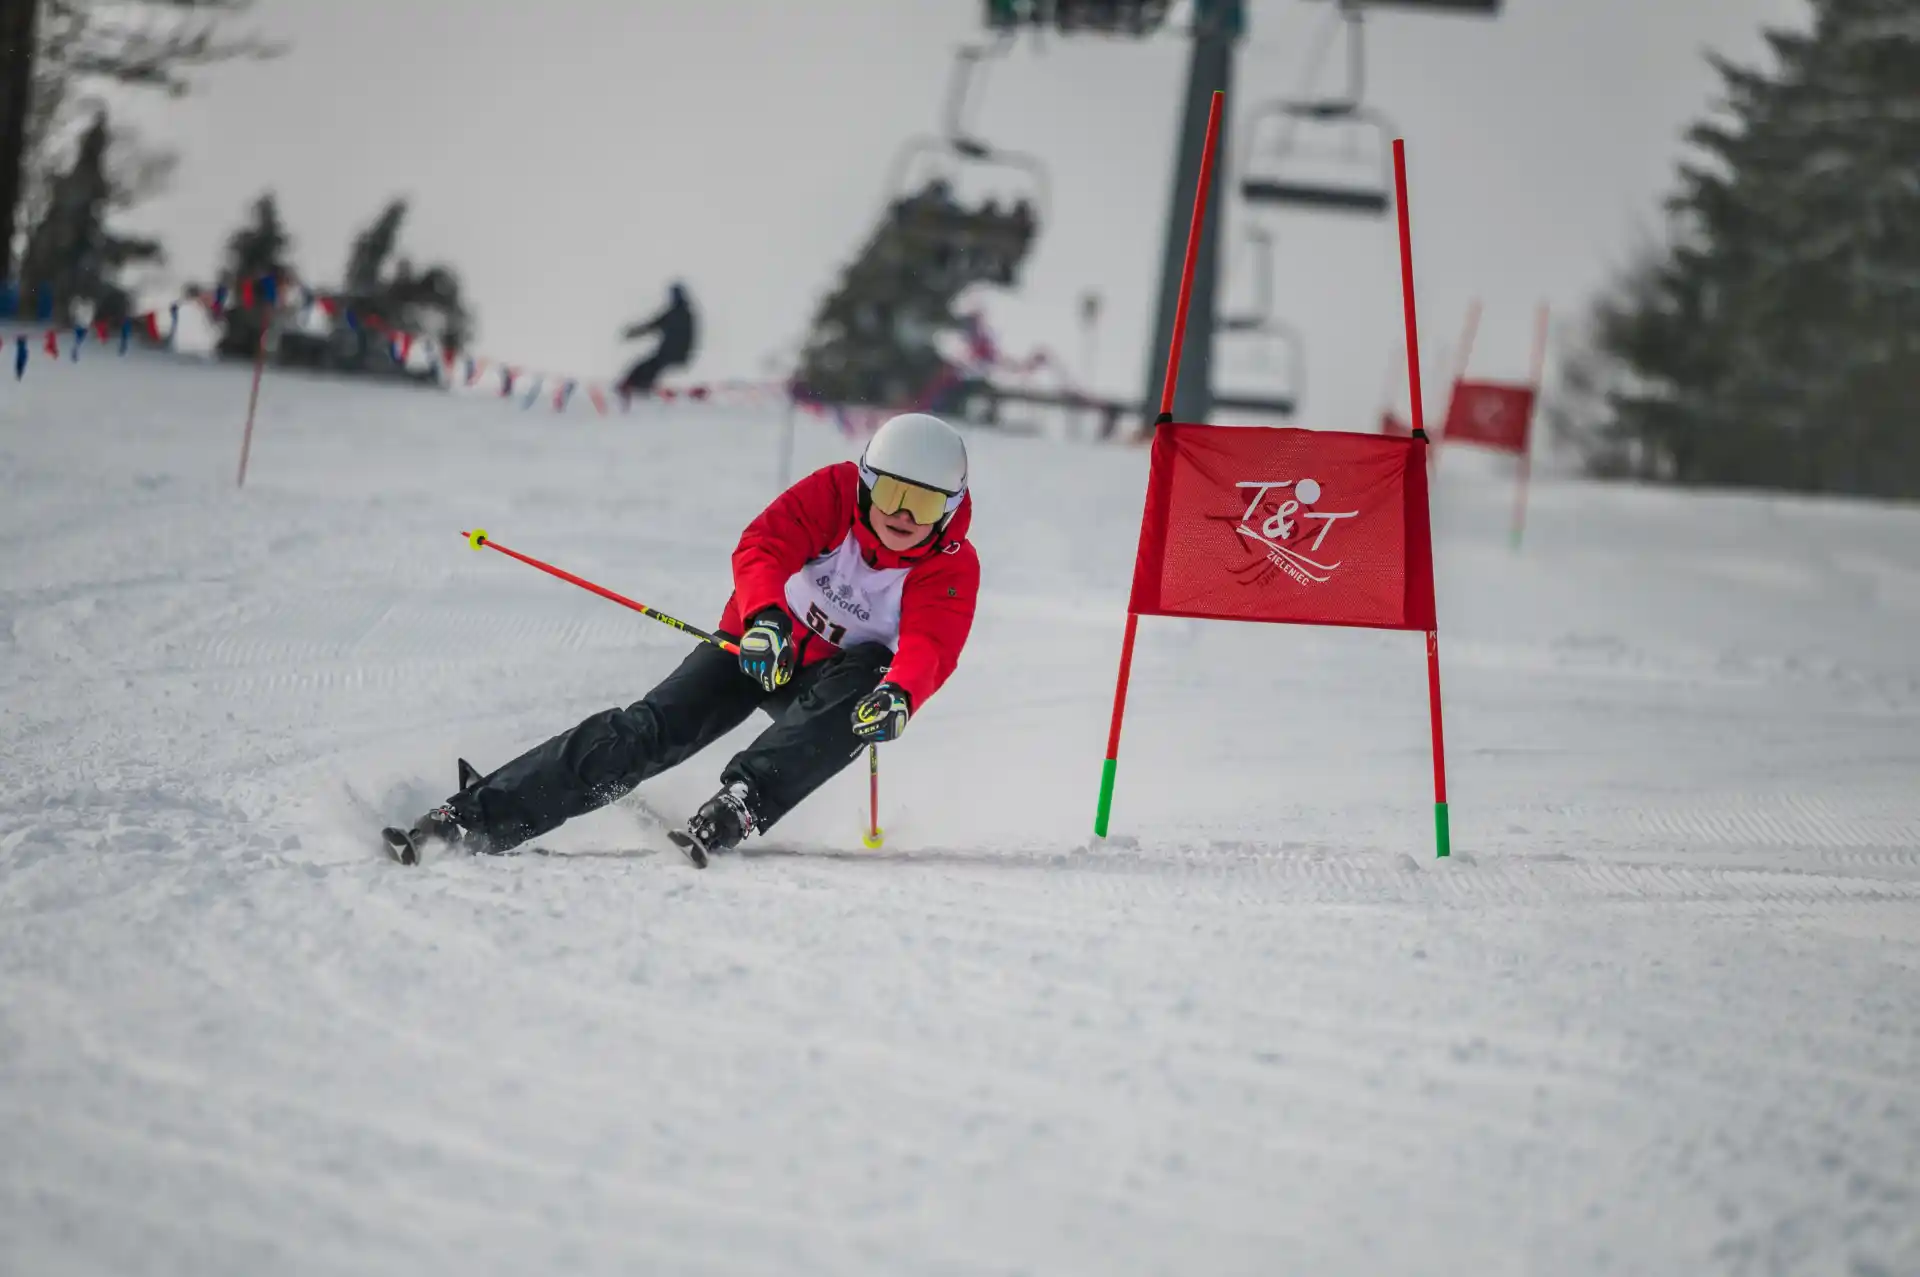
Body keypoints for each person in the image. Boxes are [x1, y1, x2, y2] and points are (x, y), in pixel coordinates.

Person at [391, 412, 980, 867]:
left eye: (924, 502)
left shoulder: (950, 566)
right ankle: (473, 817)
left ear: (949, 510)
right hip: (760, 647)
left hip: (837, 680)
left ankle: (744, 802)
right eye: (890, 493)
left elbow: (931, 644)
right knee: (649, 730)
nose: (902, 513)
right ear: (866, 484)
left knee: (869, 677)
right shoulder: (831, 491)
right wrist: (765, 619)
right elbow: (762, 547)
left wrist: (900, 695)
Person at [618, 282, 698, 395]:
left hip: (672, 353)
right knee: (650, 366)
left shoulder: (676, 314)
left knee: (648, 366)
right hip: (676, 353)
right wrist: (635, 332)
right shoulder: (683, 314)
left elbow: (653, 325)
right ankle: (638, 385)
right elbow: (653, 325)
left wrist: (634, 332)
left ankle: (632, 386)